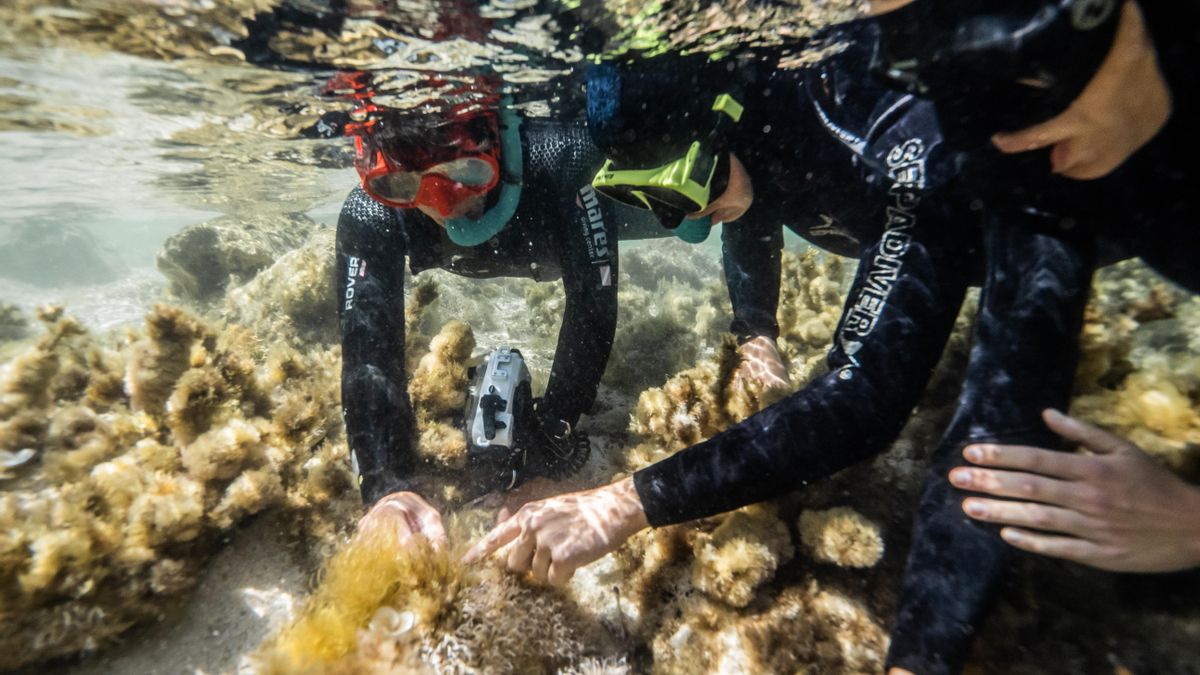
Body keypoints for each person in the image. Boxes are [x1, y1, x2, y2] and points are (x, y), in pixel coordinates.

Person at [465, 7, 1198, 672]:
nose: (677, 219)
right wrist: (756, 328)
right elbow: (751, 208)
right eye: (646, 198)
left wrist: (624, 503)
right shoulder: (778, 124)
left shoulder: (920, 136)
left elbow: (866, 404)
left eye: (678, 189)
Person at [328, 74, 788, 544]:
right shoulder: (372, 213)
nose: (446, 207)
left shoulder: (563, 160)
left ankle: (755, 325)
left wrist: (549, 442)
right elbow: (367, 351)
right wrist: (386, 489)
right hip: (556, 227)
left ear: (497, 143)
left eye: (467, 172)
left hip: (601, 208)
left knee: (730, 189)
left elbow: (592, 303)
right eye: (404, 184)